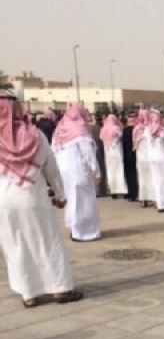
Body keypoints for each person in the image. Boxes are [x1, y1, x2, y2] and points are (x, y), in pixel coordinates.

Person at [0, 93, 84, 308]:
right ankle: (59, 289)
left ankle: (28, 294)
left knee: (16, 245)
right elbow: (51, 169)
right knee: (47, 242)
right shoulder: (35, 135)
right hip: (32, 197)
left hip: (4, 202)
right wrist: (60, 195)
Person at [52, 103, 102, 242]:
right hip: (78, 170)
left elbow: (53, 151)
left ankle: (75, 229)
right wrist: (96, 170)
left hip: (64, 172)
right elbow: (88, 153)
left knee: (72, 199)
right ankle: (85, 232)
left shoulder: (60, 129)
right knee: (83, 201)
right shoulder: (80, 129)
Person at [100, 114, 128, 199]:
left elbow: (101, 138)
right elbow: (121, 136)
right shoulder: (116, 128)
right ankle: (122, 190)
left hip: (108, 153)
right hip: (117, 152)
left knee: (110, 171)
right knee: (119, 170)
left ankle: (113, 191)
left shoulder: (103, 130)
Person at [134, 109, 155, 207]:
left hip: (140, 157)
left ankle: (143, 199)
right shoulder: (150, 128)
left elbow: (134, 145)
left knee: (142, 178)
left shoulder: (136, 129)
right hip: (150, 157)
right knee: (152, 178)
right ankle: (154, 199)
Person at [121, 111, 139, 202]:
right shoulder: (137, 129)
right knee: (135, 174)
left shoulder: (125, 130)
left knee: (129, 174)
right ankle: (135, 193)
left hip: (126, 155)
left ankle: (131, 193)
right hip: (136, 155)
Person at [91, 113, 108, 198]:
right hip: (98, 151)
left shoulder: (83, 129)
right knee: (100, 169)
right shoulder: (98, 128)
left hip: (92, 152)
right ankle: (101, 190)